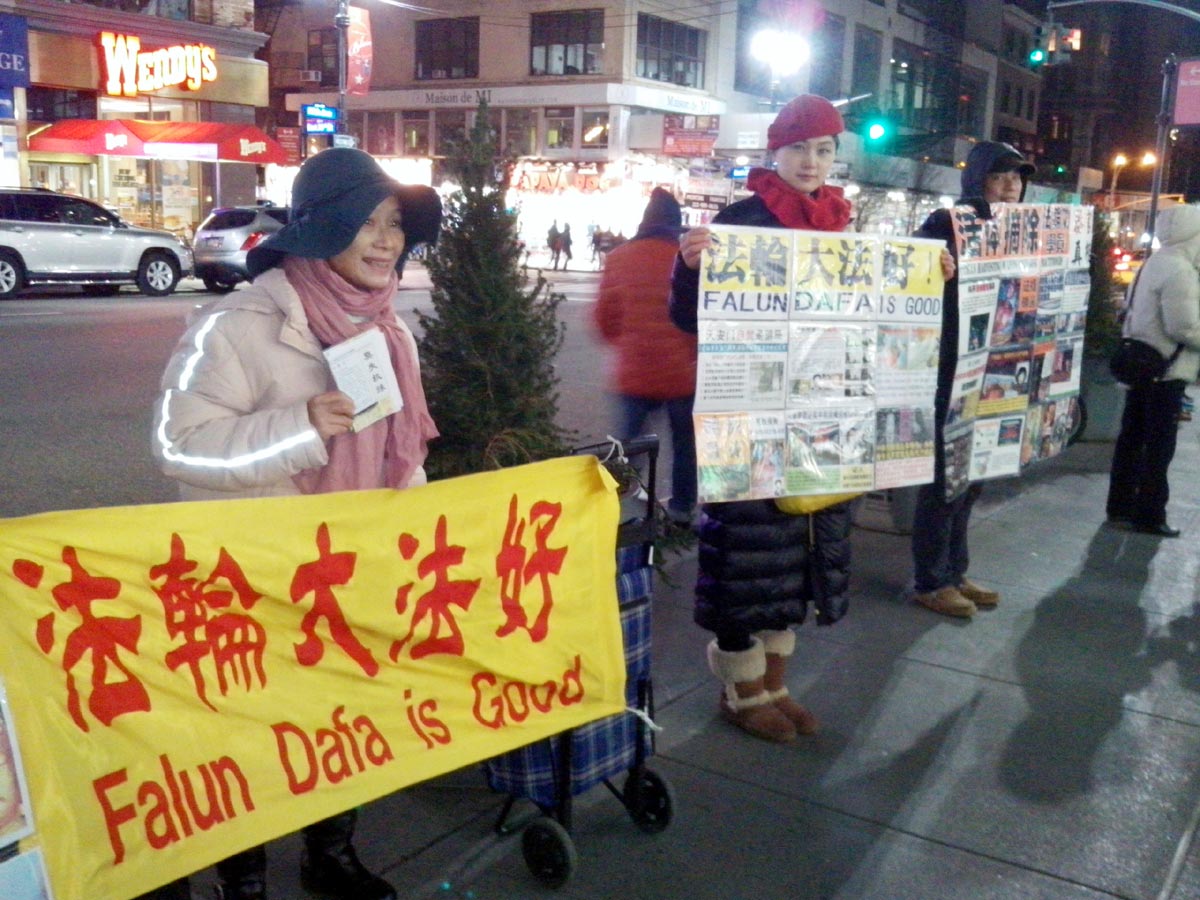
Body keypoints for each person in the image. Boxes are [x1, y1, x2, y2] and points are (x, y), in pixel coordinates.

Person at [146, 147, 442, 900]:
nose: (386, 241)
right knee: (247, 723)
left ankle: (329, 853)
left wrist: (409, 540)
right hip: (253, 578)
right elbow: (178, 445)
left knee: (339, 711)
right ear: (321, 229)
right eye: (367, 223)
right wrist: (299, 427)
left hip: (348, 574)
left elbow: (400, 457)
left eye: (395, 224)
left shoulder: (390, 331)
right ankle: (242, 874)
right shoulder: (237, 324)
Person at [670, 95, 953, 743]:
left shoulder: (842, 225)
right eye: (798, 147)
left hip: (823, 420)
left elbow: (876, 315)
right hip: (750, 420)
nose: (811, 161)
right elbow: (687, 318)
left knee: (797, 560)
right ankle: (740, 691)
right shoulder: (738, 221)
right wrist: (688, 272)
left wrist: (929, 278)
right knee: (746, 560)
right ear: (776, 151)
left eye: (824, 149)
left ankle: (773, 685)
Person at [909, 141, 1032, 618]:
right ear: (977, 181)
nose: (1010, 187)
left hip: (996, 368)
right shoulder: (947, 222)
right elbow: (909, 271)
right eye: (999, 177)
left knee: (974, 474)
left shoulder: (1020, 229)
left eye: (1016, 178)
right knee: (947, 478)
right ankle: (931, 580)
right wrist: (935, 267)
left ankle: (955, 571)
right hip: (952, 369)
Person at [594, 187, 697, 526]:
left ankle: (611, 513)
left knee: (626, 449)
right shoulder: (688, 259)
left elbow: (604, 320)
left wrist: (628, 343)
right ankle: (682, 509)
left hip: (635, 372)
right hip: (683, 374)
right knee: (685, 446)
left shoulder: (620, 257)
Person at [1106, 203, 1200, 537]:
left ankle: (1119, 506)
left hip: (1140, 364)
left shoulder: (1152, 263)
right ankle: (1149, 514)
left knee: (1131, 439)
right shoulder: (1181, 271)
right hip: (1165, 370)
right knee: (1159, 446)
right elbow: (1184, 328)